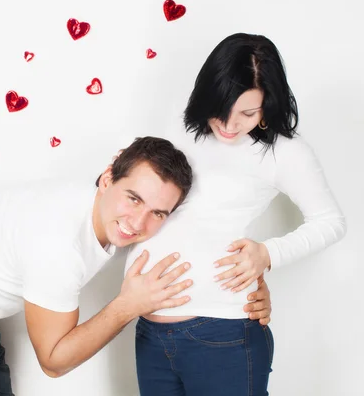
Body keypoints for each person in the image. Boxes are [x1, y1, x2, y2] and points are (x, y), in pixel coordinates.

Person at [0, 136, 273, 396]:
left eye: (157, 212)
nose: (138, 223)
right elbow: (53, 361)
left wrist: (254, 275)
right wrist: (126, 306)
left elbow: (194, 236)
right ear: (107, 177)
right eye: (133, 199)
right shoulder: (58, 244)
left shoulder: (105, 206)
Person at [126, 33, 347, 396]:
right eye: (221, 110)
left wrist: (268, 254)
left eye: (247, 113)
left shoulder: (285, 151)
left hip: (222, 332)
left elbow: (330, 222)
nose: (229, 125)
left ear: (268, 104)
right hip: (149, 331)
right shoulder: (180, 127)